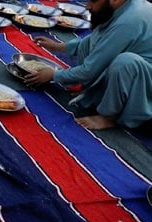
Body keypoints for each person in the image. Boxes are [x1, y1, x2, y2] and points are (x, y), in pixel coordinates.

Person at [24, 0, 152, 130]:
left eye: (93, 1)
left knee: (125, 62)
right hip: (139, 71)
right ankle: (92, 93)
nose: (88, 6)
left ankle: (108, 117)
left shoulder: (128, 21)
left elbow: (90, 70)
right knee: (107, 55)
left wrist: (53, 75)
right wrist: (58, 46)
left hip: (147, 88)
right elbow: (99, 41)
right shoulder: (124, 7)